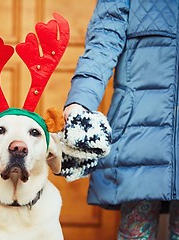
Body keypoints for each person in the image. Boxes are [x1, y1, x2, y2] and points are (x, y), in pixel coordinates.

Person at [63, 0, 179, 239]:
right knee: (135, 232)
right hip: (138, 133)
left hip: (139, 133)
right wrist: (80, 103)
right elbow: (102, 44)